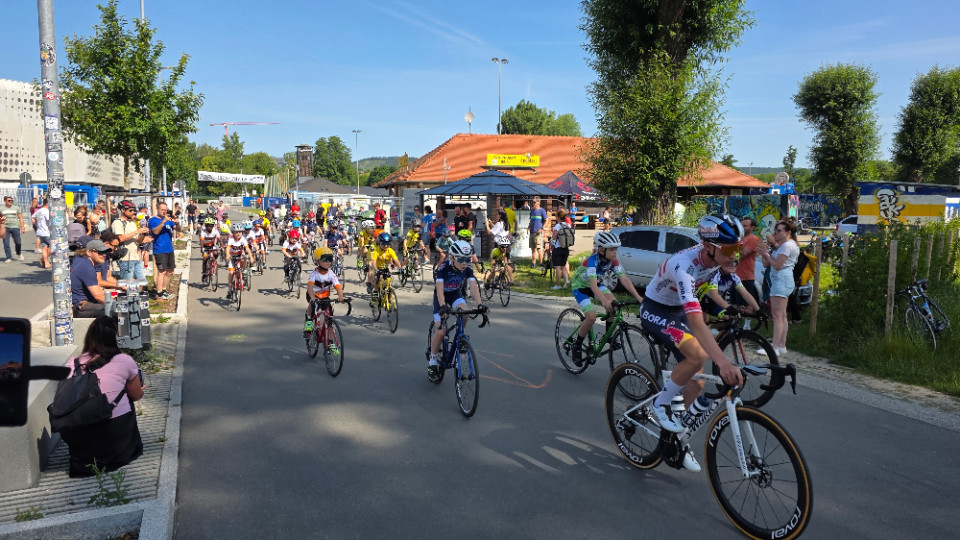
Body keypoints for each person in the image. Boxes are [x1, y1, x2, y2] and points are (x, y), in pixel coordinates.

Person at [638, 214, 745, 472]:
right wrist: (724, 362)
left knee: (697, 382)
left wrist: (723, 311)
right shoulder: (684, 265)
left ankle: (676, 438)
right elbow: (696, 322)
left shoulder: (713, 261)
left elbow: (705, 290)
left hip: (677, 311)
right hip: (656, 310)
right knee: (698, 355)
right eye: (729, 249)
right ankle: (659, 405)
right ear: (708, 246)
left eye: (738, 248)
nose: (734, 256)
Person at [59, 316, 144, 478]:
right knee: (125, 397)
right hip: (113, 437)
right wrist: (139, 388)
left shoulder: (72, 363)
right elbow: (136, 395)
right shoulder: (124, 361)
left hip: (81, 442)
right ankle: (125, 449)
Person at [569, 231, 645, 366]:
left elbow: (624, 279)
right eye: (612, 249)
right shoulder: (591, 262)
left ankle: (608, 336)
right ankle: (577, 345)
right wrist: (604, 301)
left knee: (614, 304)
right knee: (591, 316)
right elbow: (593, 287)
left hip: (596, 284)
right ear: (600, 249)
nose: (615, 252)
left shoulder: (613, 261)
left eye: (616, 249)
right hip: (580, 287)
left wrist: (639, 298)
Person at [427, 240, 487, 382]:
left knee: (464, 312)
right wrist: (442, 306)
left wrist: (480, 305)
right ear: (452, 257)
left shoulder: (466, 268)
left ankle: (460, 336)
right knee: (441, 331)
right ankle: (433, 361)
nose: (464, 263)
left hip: (454, 294)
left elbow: (473, 286)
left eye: (467, 259)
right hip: (441, 297)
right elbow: (440, 290)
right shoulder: (443, 268)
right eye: (461, 259)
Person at [757, 220, 799, 355]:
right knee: (781, 315)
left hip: (781, 280)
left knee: (777, 316)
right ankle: (781, 345)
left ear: (788, 232)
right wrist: (766, 252)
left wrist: (767, 255)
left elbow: (777, 265)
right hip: (780, 280)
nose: (775, 233)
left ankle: (774, 347)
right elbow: (766, 264)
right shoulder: (782, 246)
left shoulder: (787, 245)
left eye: (779, 230)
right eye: (775, 230)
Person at [303, 246, 345, 338]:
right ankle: (308, 325)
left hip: (325, 297)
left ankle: (330, 342)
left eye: (330, 259)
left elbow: (337, 286)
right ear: (317, 261)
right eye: (325, 259)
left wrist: (340, 296)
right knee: (312, 305)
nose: (328, 262)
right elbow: (310, 287)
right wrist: (313, 298)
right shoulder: (314, 273)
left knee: (330, 318)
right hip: (313, 295)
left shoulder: (331, 273)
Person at [71, 240, 113, 318]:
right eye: (100, 252)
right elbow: (98, 296)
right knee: (118, 311)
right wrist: (118, 305)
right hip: (81, 307)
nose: (104, 255)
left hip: (79, 304)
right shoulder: (87, 267)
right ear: (89, 252)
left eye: (105, 252)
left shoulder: (81, 259)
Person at [148, 202, 181, 300]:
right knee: (162, 271)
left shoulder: (168, 221)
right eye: (162, 209)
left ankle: (163, 290)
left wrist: (176, 222)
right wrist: (163, 222)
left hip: (169, 249)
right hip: (159, 249)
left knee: (170, 271)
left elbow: (179, 230)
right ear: (158, 209)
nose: (164, 212)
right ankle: (158, 293)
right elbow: (155, 232)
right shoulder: (153, 220)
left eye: (165, 210)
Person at [111, 201, 149, 281]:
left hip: (135, 257)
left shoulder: (132, 223)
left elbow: (138, 241)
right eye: (130, 211)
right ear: (122, 210)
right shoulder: (117, 222)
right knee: (128, 284)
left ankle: (139, 293)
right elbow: (120, 238)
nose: (133, 212)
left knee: (142, 282)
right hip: (125, 259)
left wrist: (143, 234)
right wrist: (137, 231)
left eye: (134, 210)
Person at [734, 217, 761, 320]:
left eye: (745, 226)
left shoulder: (753, 239)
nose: (742, 228)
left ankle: (747, 324)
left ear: (752, 227)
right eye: (741, 225)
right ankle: (735, 321)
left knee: (746, 303)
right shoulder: (739, 239)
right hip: (735, 275)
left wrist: (733, 247)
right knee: (735, 302)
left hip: (746, 276)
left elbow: (743, 254)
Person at [225, 224, 255, 301]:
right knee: (231, 273)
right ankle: (229, 288)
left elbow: (247, 249)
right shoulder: (231, 239)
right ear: (233, 233)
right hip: (232, 257)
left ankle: (244, 270)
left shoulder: (243, 239)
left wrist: (251, 257)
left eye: (240, 232)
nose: (238, 234)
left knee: (245, 257)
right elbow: (228, 248)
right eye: (236, 232)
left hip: (239, 256)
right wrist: (228, 255)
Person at [484, 210, 514, 285]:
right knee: (506, 263)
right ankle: (510, 280)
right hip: (507, 244)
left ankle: (491, 279)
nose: (496, 216)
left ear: (500, 216)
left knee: (496, 262)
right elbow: (499, 231)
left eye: (497, 215)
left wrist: (487, 224)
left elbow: (489, 232)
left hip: (499, 245)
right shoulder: (506, 223)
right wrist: (491, 223)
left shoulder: (499, 223)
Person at [550, 208, 573, 289]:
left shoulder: (558, 226)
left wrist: (551, 246)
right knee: (563, 265)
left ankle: (558, 285)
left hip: (558, 248)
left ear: (559, 217)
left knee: (557, 267)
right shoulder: (568, 225)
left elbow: (554, 238)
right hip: (566, 248)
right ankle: (567, 280)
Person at [2, 195, 26, 262]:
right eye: (9, 200)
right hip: (5, 227)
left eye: (11, 200)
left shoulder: (16, 208)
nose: (10, 202)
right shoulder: (1, 209)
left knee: (18, 242)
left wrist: (22, 227)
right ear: (5, 201)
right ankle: (9, 257)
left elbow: (20, 217)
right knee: (6, 243)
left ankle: (19, 253)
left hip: (15, 226)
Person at [528, 196, 548, 268]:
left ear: (538, 202)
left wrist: (541, 228)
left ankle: (541, 264)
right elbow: (531, 220)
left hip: (538, 232)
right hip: (532, 232)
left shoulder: (541, 210)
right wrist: (528, 227)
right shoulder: (532, 211)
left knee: (539, 249)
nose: (533, 203)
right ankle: (533, 263)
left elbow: (546, 220)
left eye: (534, 202)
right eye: (532, 202)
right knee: (533, 249)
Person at [32, 198, 51, 269]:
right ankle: (43, 260)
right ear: (48, 203)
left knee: (44, 247)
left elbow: (33, 217)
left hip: (40, 232)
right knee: (53, 247)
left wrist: (37, 224)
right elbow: (50, 220)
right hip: (47, 232)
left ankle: (46, 263)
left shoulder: (39, 210)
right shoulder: (46, 211)